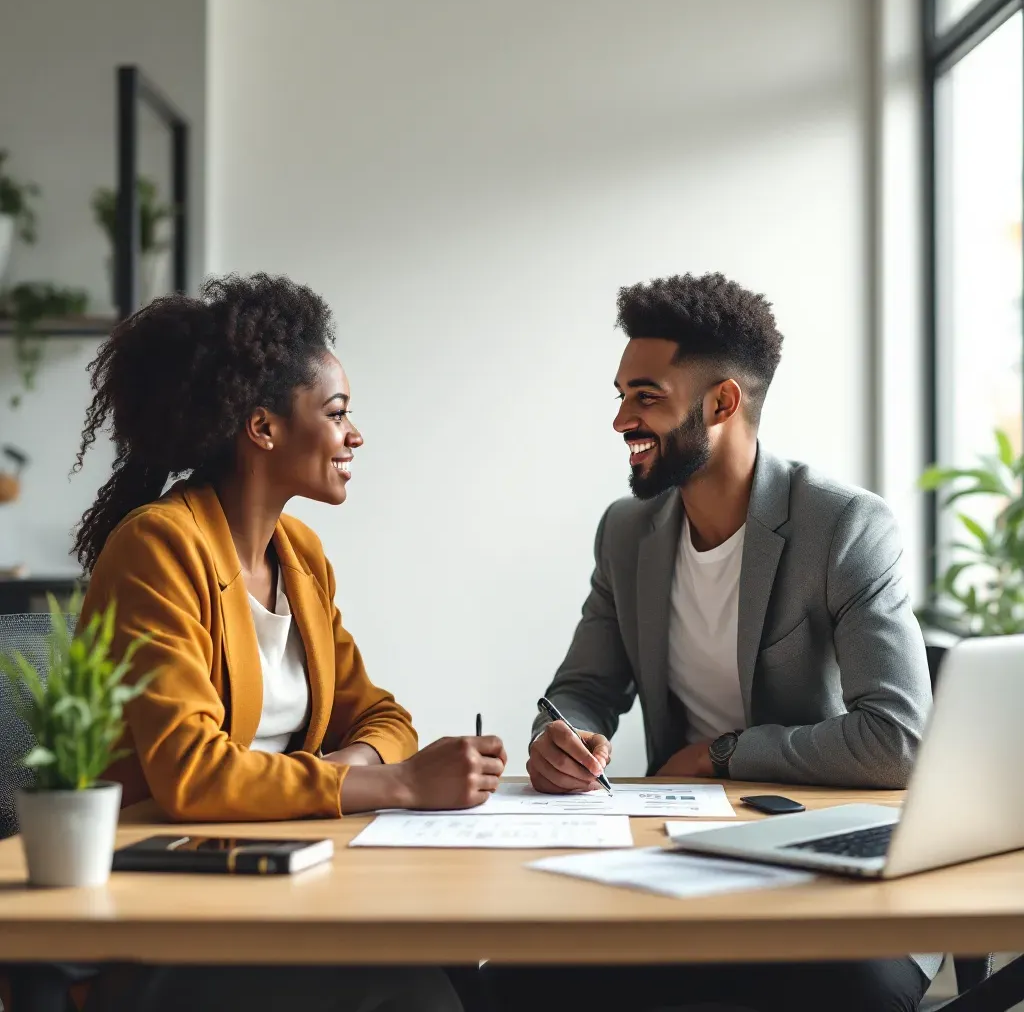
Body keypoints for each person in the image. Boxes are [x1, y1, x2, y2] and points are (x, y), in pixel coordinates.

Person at [487, 273, 936, 1012]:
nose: (621, 420)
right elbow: (584, 690)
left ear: (722, 402)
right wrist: (562, 734)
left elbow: (897, 740)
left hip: (825, 870)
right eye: (622, 394)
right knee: (515, 976)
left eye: (646, 397)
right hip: (680, 861)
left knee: (834, 991)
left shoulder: (844, 528)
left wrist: (722, 754)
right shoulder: (627, 532)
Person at [73, 273, 506, 1012]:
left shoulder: (298, 555)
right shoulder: (158, 547)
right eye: (336, 413)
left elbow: (385, 720)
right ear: (264, 428)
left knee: (476, 970)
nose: (355, 435)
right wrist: (394, 784)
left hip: (281, 878)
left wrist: (349, 764)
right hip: (166, 911)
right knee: (417, 998)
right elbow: (194, 775)